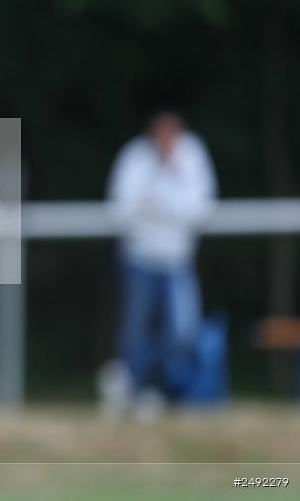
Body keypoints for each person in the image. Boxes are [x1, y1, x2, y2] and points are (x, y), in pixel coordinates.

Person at [102, 111, 217, 419]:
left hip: (178, 259)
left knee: (183, 332)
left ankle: (130, 378)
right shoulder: (134, 157)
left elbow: (202, 207)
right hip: (139, 257)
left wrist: (160, 201)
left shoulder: (192, 155)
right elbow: (120, 207)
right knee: (136, 330)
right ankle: (141, 391)